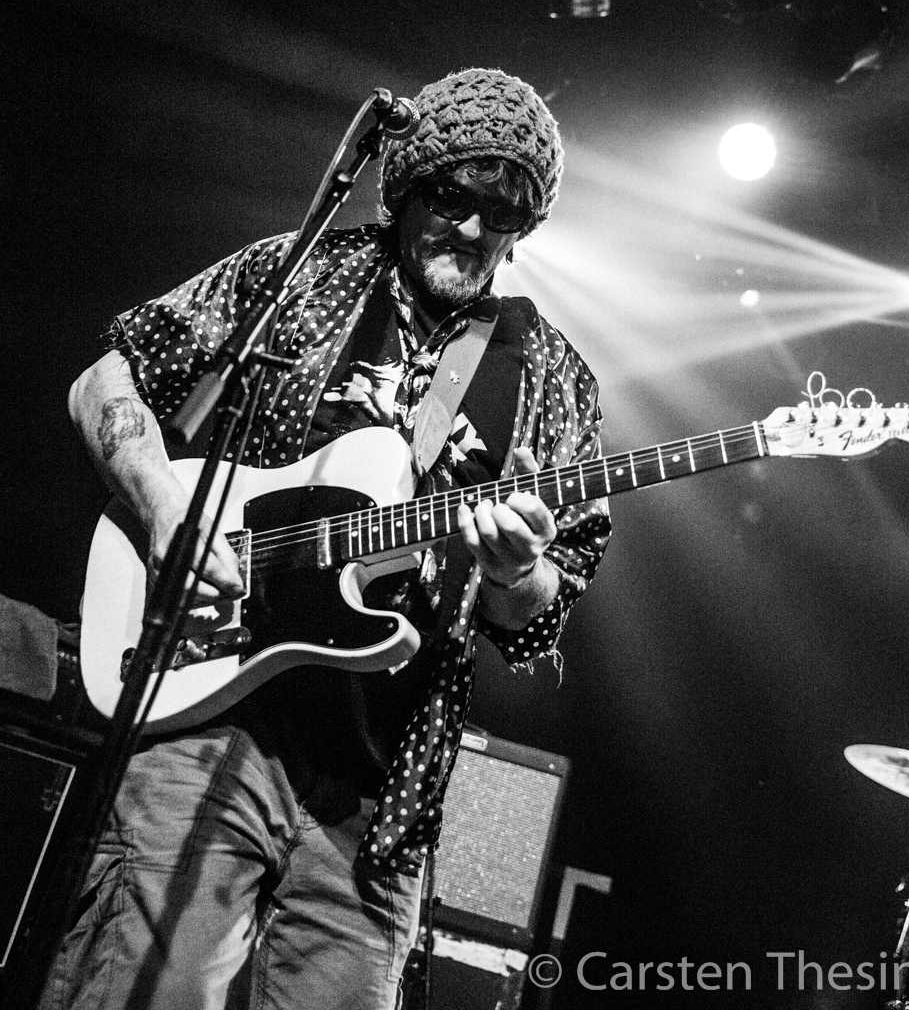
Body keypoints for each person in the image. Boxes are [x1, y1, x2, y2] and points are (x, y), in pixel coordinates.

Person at [44, 68, 611, 1009]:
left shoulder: (553, 376)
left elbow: (535, 610)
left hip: (384, 799)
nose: (475, 230)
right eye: (452, 198)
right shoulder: (299, 274)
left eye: (504, 215)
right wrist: (166, 508)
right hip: (212, 716)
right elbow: (107, 380)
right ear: (406, 187)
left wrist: (516, 572)